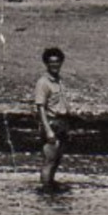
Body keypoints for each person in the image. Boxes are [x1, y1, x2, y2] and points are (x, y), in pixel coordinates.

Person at [34, 48, 71, 189]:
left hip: (62, 121)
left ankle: (51, 184)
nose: (55, 65)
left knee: (57, 158)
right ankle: (45, 189)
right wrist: (48, 130)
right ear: (46, 64)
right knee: (49, 159)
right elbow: (40, 108)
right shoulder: (43, 82)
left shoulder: (59, 80)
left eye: (57, 62)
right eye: (51, 62)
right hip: (51, 122)